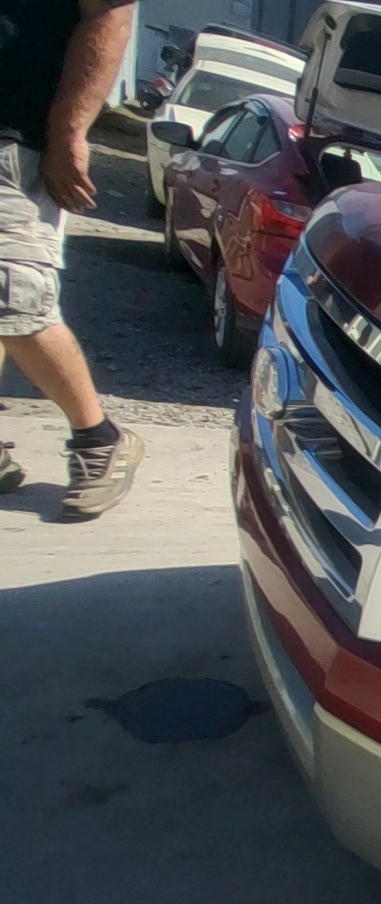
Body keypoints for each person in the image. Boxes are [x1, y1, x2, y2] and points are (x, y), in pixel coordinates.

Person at [0, 0, 143, 518]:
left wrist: (68, 131)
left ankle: (99, 438)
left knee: (14, 302)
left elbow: (108, 12)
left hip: (13, 137)